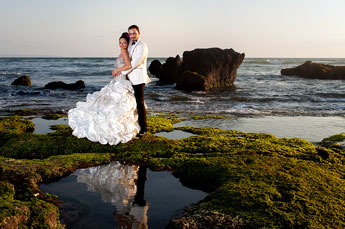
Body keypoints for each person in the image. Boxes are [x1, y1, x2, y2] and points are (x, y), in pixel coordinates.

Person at [68, 32, 140, 145]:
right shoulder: (122, 52)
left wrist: (117, 70)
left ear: (128, 43)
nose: (122, 45)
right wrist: (117, 71)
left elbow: (128, 66)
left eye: (124, 42)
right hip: (117, 80)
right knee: (105, 101)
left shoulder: (125, 52)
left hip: (121, 81)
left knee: (116, 103)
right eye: (120, 42)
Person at [115, 25, 151, 137]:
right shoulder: (130, 44)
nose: (132, 35)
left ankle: (143, 129)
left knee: (140, 103)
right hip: (129, 78)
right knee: (130, 102)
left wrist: (120, 72)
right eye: (130, 34)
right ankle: (132, 126)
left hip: (139, 79)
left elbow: (134, 63)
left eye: (134, 33)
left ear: (139, 33)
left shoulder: (142, 46)